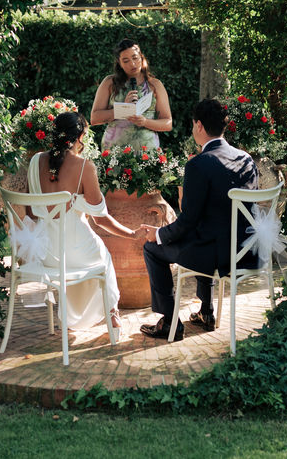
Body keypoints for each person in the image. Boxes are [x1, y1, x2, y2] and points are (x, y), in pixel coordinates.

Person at [139, 98, 258, 341]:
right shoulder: (246, 159)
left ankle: (170, 323)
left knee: (152, 248)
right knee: (205, 233)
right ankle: (206, 311)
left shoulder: (199, 164)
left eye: (194, 124)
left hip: (215, 253)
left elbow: (188, 222)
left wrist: (158, 234)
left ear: (199, 125)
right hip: (246, 250)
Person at [21, 111, 143, 337]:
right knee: (103, 256)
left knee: (89, 252)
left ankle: (71, 316)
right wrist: (132, 234)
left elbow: (30, 212)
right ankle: (113, 314)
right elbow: (101, 219)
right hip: (77, 253)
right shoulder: (85, 167)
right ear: (79, 137)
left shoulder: (35, 161)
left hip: (47, 255)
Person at [90, 38, 172, 150]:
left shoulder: (155, 85)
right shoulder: (109, 83)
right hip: (114, 151)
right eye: (126, 61)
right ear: (119, 63)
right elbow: (94, 118)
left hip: (146, 153)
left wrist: (145, 122)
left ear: (141, 57)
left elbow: (167, 123)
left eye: (135, 58)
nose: (132, 64)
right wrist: (123, 109)